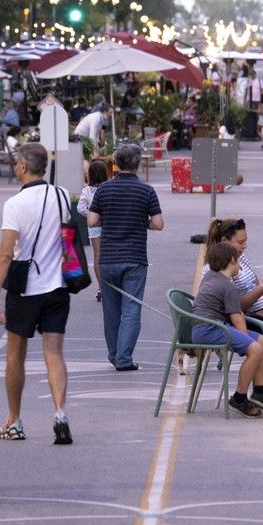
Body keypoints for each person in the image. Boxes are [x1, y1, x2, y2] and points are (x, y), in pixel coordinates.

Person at [0, 142, 74, 444]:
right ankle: (60, 412)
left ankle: (14, 420)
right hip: (58, 287)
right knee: (54, 353)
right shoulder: (61, 195)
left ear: (24, 166)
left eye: (16, 164)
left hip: (25, 290)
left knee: (15, 355)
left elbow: (4, 254)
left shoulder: (14, 204)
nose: (14, 168)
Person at [87, 143, 164, 371]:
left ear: (116, 164)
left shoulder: (103, 190)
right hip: (135, 258)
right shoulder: (146, 191)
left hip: (108, 258)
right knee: (131, 308)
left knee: (111, 310)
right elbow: (158, 224)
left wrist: (110, 219)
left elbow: (91, 220)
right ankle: (123, 358)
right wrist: (142, 222)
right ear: (138, 164)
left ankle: (114, 355)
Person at [204, 218, 263, 410]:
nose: (244, 247)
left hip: (246, 317)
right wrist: (246, 339)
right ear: (225, 242)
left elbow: (255, 289)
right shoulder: (222, 277)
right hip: (231, 321)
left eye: (246, 241)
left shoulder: (235, 263)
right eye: (240, 243)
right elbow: (236, 312)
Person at [192, 242, 263, 418]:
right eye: (238, 262)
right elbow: (237, 317)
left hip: (207, 327)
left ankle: (260, 391)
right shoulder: (228, 287)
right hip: (209, 329)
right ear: (231, 262)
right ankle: (240, 398)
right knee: (256, 348)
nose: (240, 265)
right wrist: (246, 342)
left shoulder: (211, 277)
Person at [77, 160, 109, 303]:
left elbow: (80, 208)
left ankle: (102, 287)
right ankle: (111, 286)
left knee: (98, 256)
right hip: (109, 224)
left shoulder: (87, 190)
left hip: (94, 226)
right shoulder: (109, 187)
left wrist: (92, 215)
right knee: (110, 254)